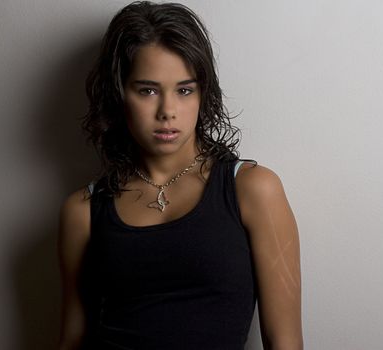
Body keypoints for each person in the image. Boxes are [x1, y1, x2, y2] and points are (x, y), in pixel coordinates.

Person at [57, 1, 302, 349]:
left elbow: (286, 342)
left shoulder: (253, 190)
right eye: (147, 90)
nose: (167, 111)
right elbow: (72, 339)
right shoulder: (83, 212)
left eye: (184, 90)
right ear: (119, 94)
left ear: (203, 94)